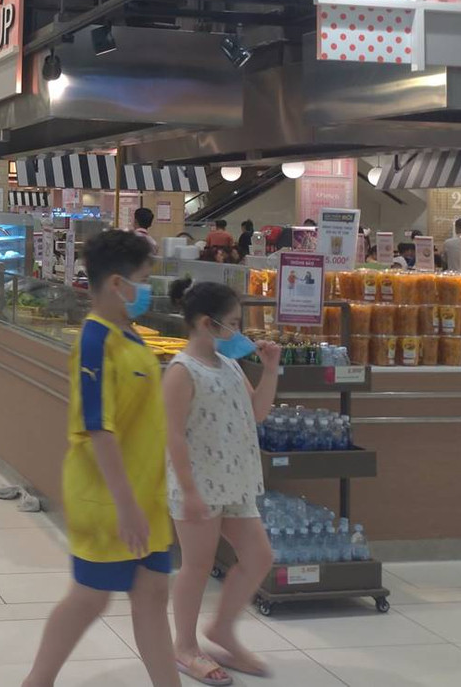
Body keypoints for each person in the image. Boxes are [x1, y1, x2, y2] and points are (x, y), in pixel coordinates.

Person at [20, 230, 178, 687]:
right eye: (143, 279)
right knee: (90, 597)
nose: (147, 289)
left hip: (146, 496)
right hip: (108, 498)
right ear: (116, 283)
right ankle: (37, 681)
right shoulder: (94, 342)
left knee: (153, 595)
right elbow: (98, 428)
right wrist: (126, 505)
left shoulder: (131, 335)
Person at [163, 279, 280, 684]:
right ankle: (184, 646)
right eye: (233, 323)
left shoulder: (229, 364)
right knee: (197, 565)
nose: (239, 332)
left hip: (235, 480)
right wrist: (189, 490)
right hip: (198, 485)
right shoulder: (182, 371)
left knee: (259, 556)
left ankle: (223, 630)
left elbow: (257, 412)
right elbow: (173, 435)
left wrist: (270, 371)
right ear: (206, 323)